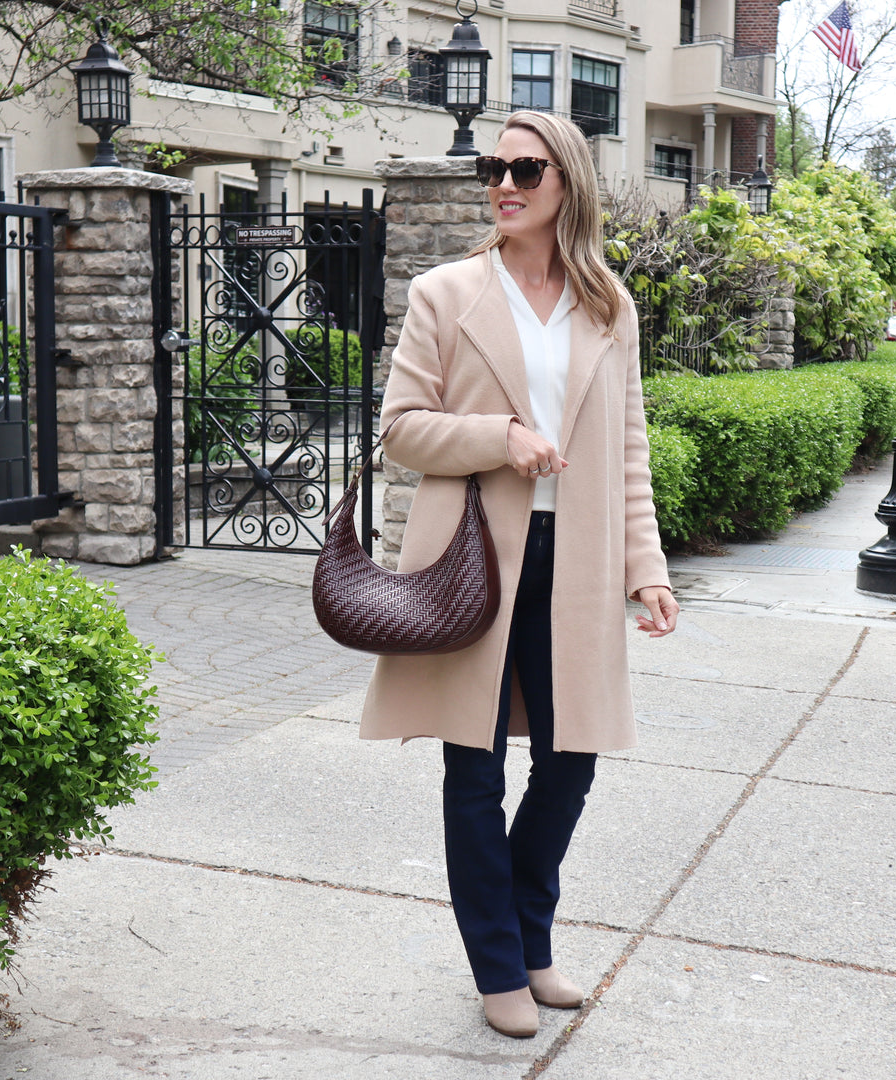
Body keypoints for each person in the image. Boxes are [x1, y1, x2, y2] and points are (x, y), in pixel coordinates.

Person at [360, 111, 679, 1038]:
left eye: (524, 169)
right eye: (492, 168)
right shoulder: (445, 292)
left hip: (575, 562)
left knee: (570, 760)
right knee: (475, 767)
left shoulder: (606, 303)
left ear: (566, 181)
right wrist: (499, 440)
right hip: (473, 561)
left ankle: (529, 938)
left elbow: (631, 452)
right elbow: (401, 429)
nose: (504, 183)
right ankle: (500, 963)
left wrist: (645, 569)